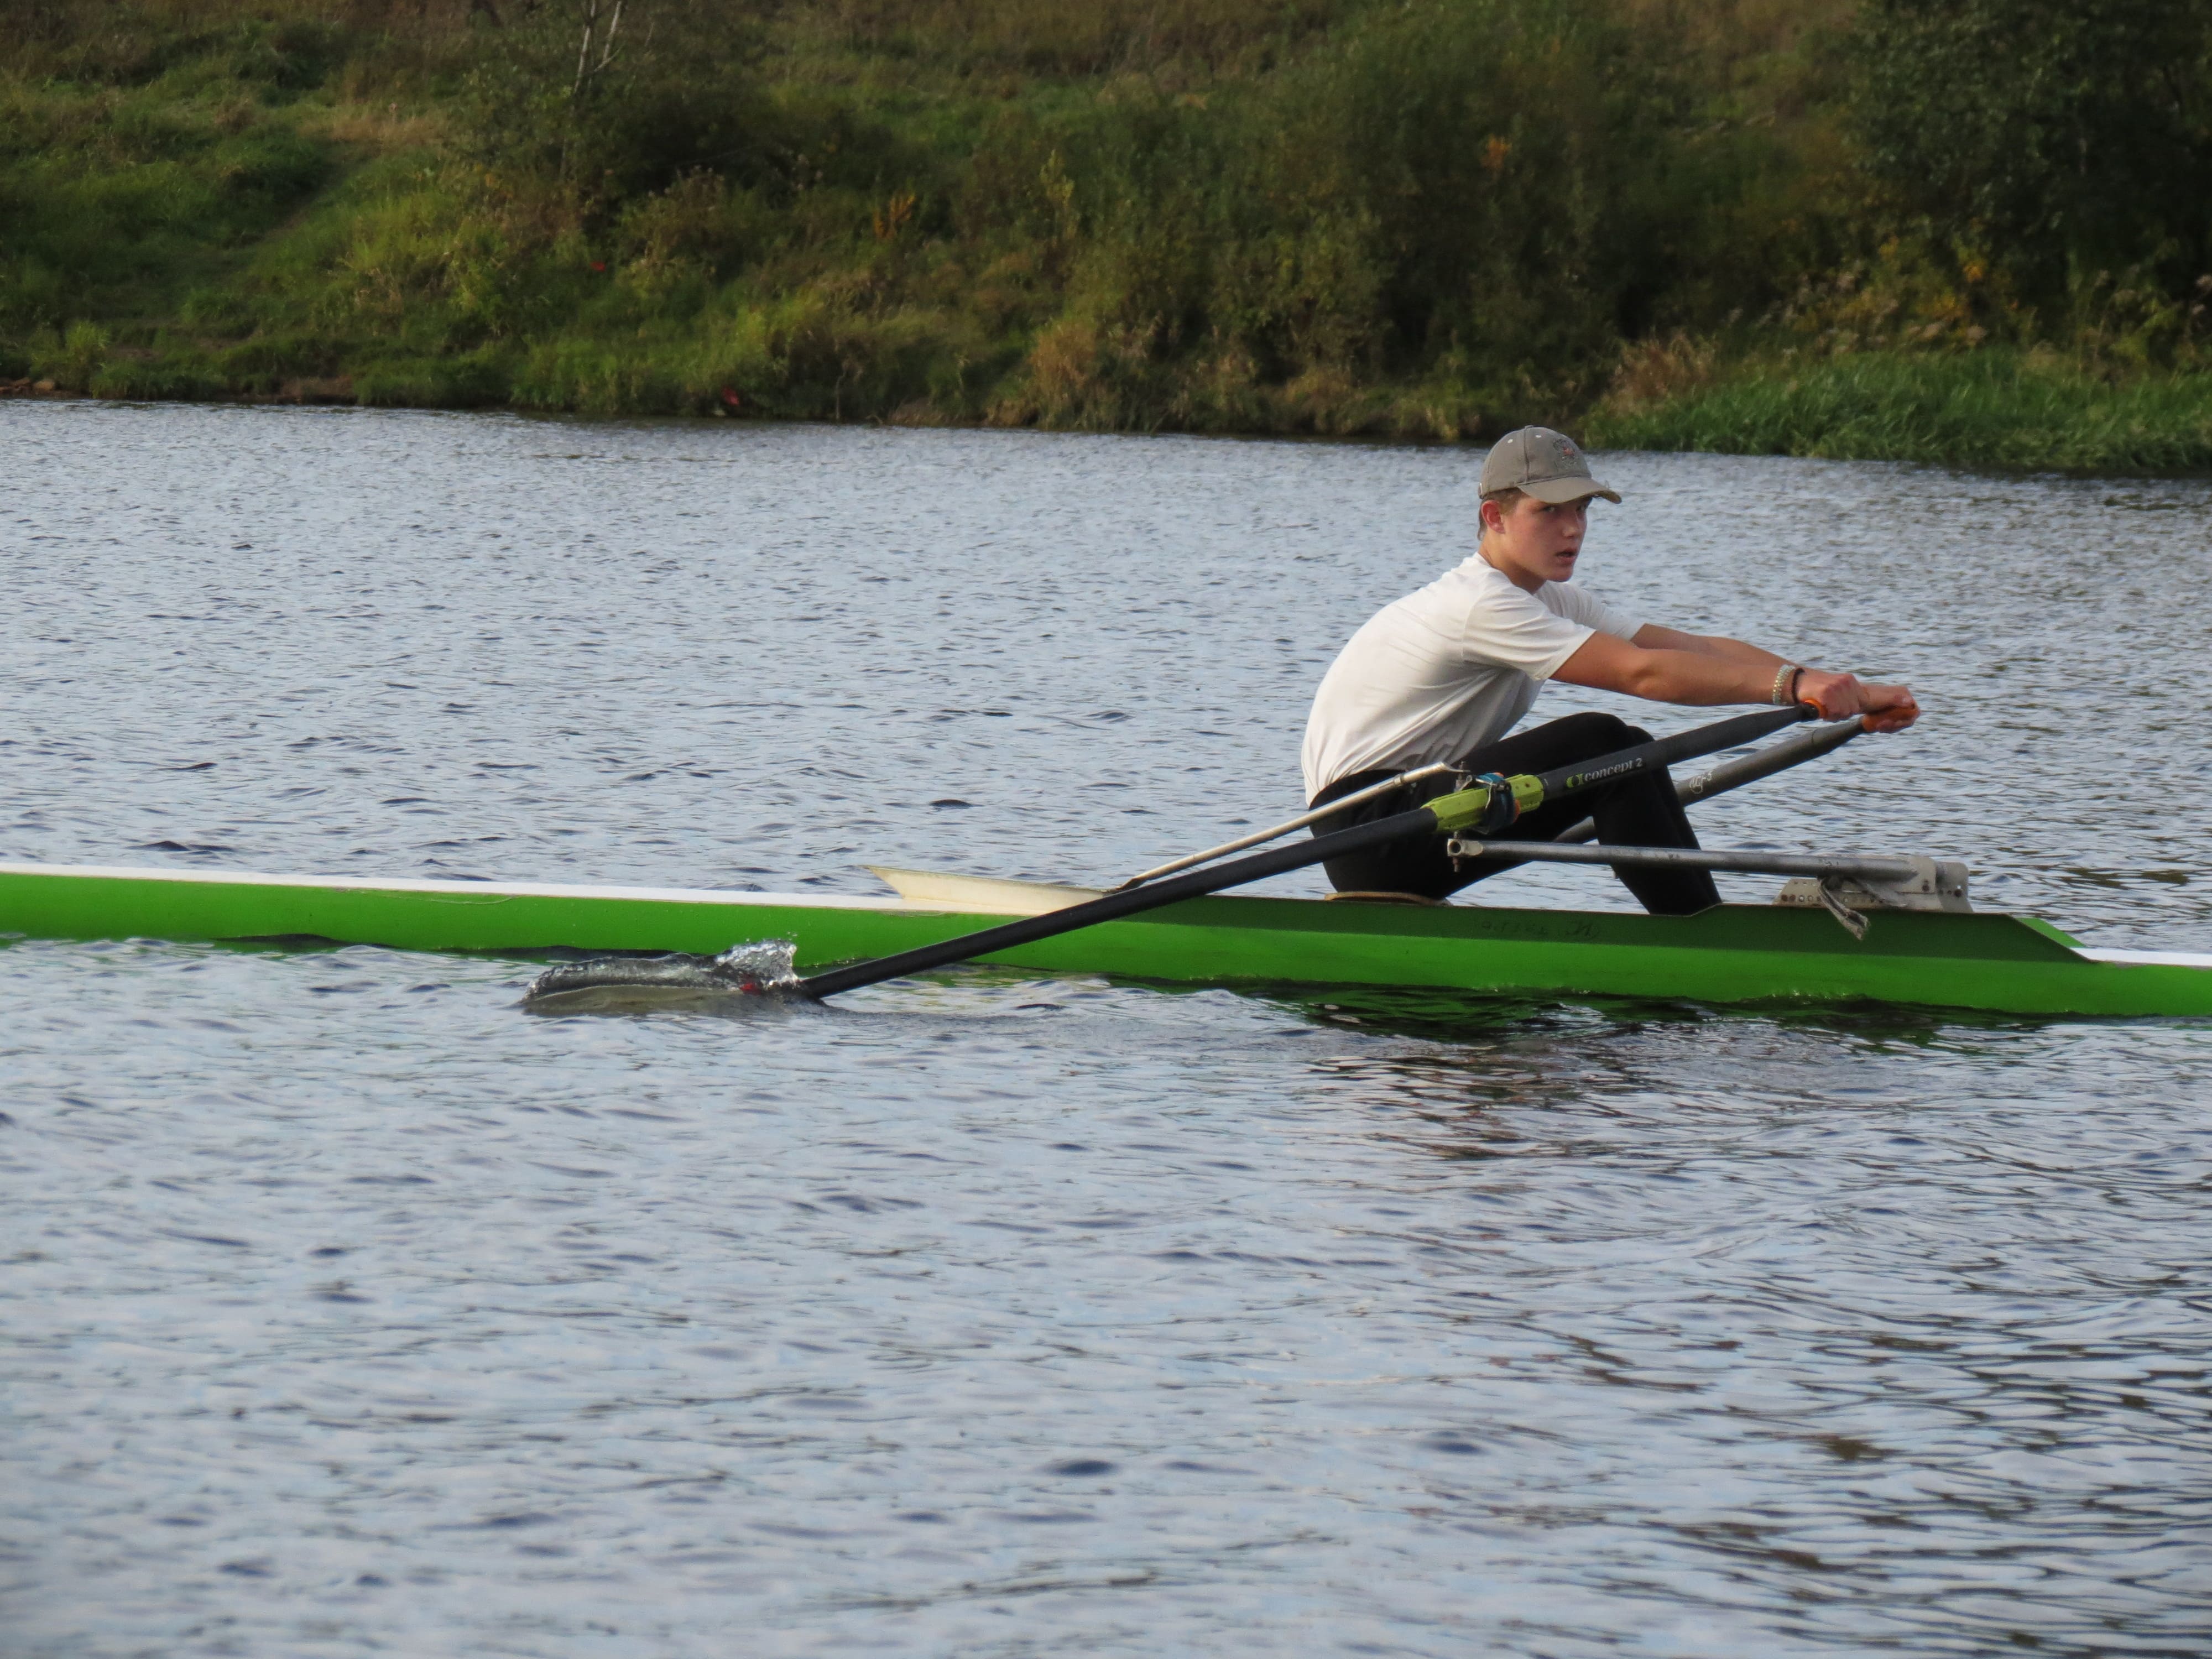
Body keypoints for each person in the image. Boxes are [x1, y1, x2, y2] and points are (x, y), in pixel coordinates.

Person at [1301, 426, 1919, 914]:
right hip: (1370, 831)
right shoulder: (1478, 603)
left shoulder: (1545, 598)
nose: (1573, 528)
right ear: (1494, 518)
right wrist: (1792, 687)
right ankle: (1696, 936)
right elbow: (1643, 676)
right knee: (1603, 744)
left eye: (1583, 510)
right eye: (1550, 511)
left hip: (1423, 813)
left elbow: (1691, 649)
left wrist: (1840, 687)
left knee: (1629, 753)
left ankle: (1697, 926)